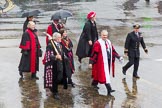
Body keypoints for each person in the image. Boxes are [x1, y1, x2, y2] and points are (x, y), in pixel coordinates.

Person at [89, 30, 123, 96]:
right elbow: (94, 54)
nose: (104, 37)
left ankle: (94, 84)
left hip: (107, 62)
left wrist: (118, 57)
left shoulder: (108, 42)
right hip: (100, 63)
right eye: (103, 35)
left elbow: (113, 51)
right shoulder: (98, 43)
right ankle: (109, 89)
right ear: (101, 35)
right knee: (104, 76)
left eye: (106, 35)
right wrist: (91, 62)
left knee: (99, 75)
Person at [44, 32, 68, 100]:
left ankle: (55, 88)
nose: (61, 38)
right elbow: (49, 55)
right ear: (56, 38)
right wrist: (56, 56)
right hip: (54, 65)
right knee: (54, 78)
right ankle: (55, 92)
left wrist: (64, 57)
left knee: (60, 77)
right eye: (60, 37)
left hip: (60, 64)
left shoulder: (59, 44)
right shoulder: (50, 45)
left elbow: (62, 52)